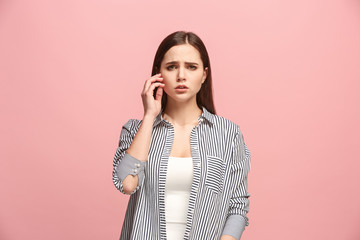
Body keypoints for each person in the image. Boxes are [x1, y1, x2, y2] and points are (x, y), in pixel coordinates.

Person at [112, 31, 251, 240]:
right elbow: (127, 184)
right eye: (171, 67)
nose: (181, 76)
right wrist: (150, 116)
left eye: (191, 67)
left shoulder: (228, 134)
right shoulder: (136, 130)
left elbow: (238, 206)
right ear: (158, 73)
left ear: (204, 74)